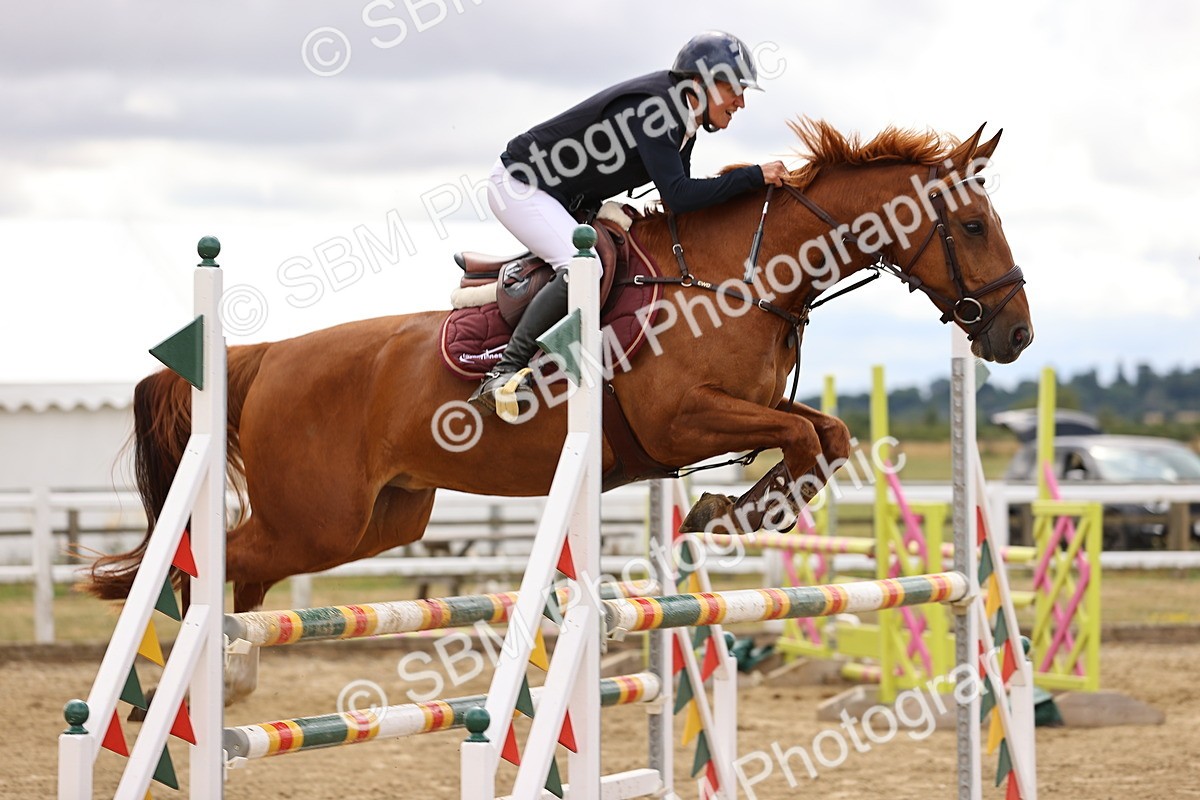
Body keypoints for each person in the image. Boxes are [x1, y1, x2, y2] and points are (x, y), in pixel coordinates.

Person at [470, 30, 788, 419]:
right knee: (581, 265)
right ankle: (503, 370)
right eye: (733, 87)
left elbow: (680, 205)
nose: (740, 101)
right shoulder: (657, 110)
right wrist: (754, 177)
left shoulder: (682, 115)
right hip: (520, 186)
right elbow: (679, 196)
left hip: (563, 195)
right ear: (699, 83)